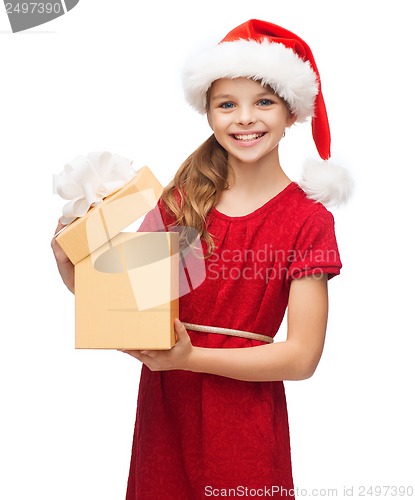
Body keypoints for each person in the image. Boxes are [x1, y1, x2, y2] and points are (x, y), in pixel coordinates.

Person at [52, 19, 352, 499]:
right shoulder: (183, 200)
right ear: (208, 113)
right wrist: (76, 270)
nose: (244, 118)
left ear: (292, 112)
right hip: (166, 419)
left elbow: (301, 358)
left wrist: (191, 357)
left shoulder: (307, 220)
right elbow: (135, 305)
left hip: (245, 429)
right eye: (227, 104)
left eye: (264, 103)